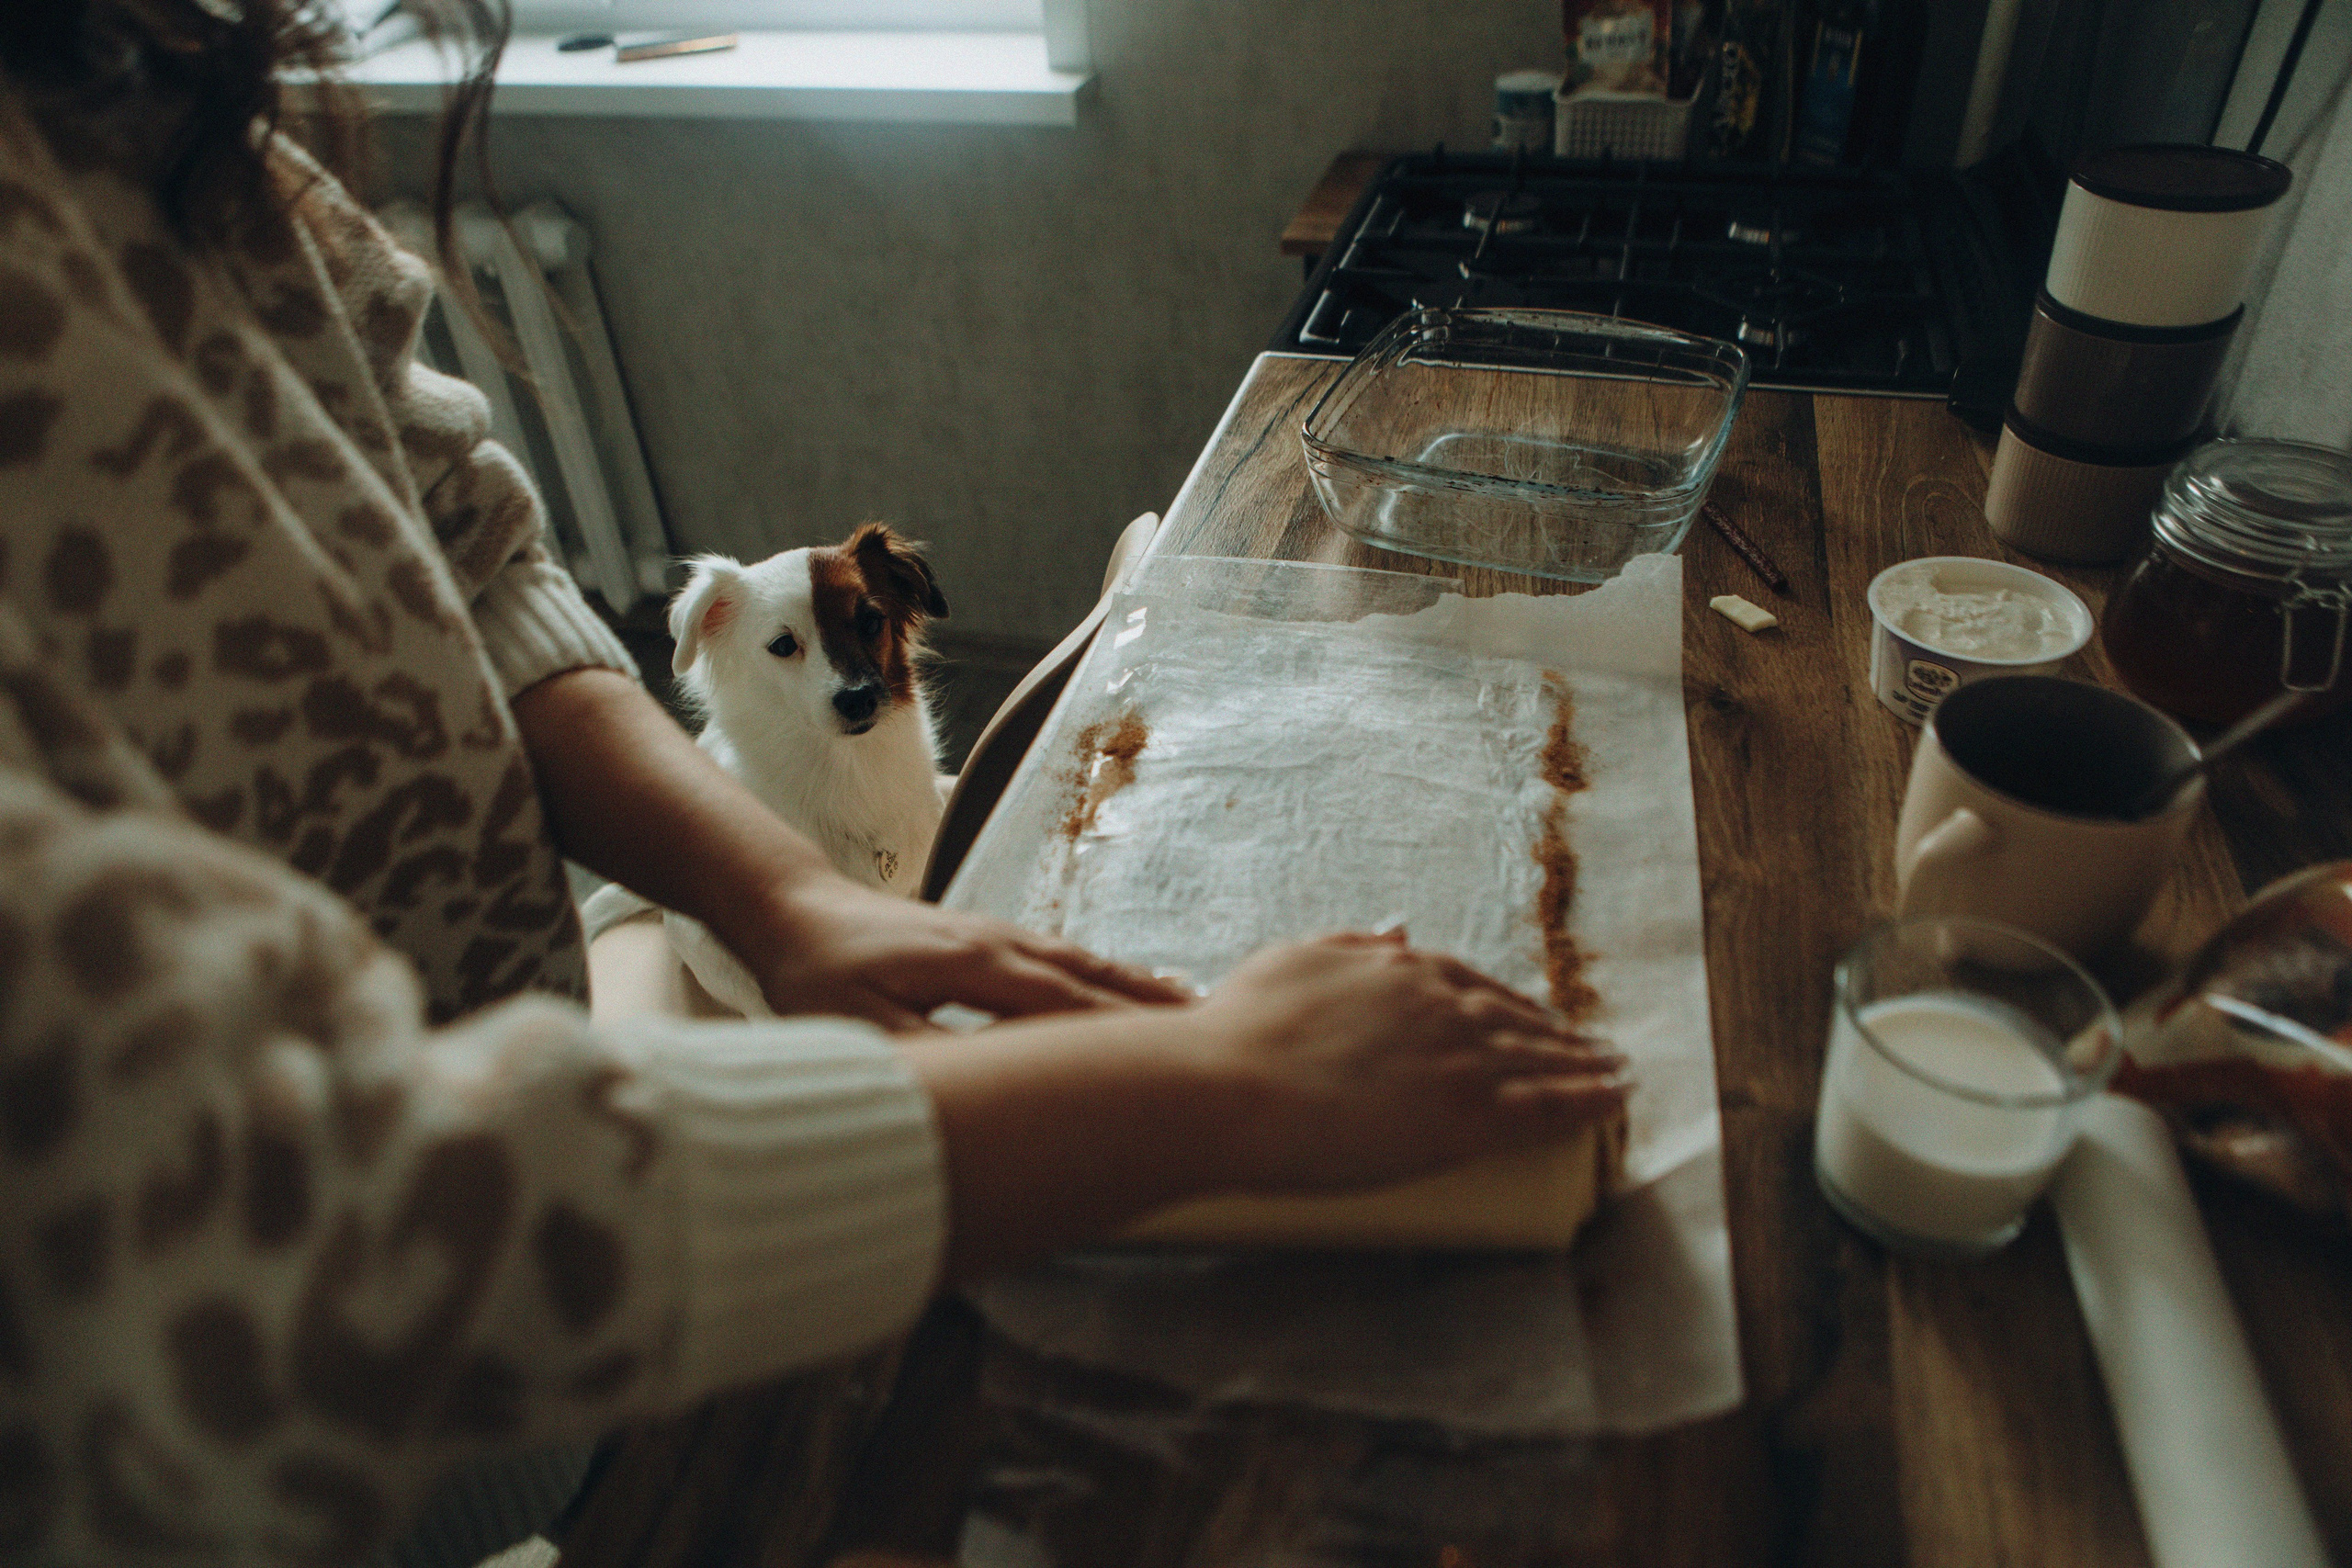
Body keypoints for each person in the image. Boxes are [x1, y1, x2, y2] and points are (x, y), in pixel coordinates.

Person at [0, 3, 1629, 1562]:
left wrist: (781, 904)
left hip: (561, 1197)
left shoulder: (160, 101)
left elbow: (475, 556)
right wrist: (1225, 1087)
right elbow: (277, 1227)